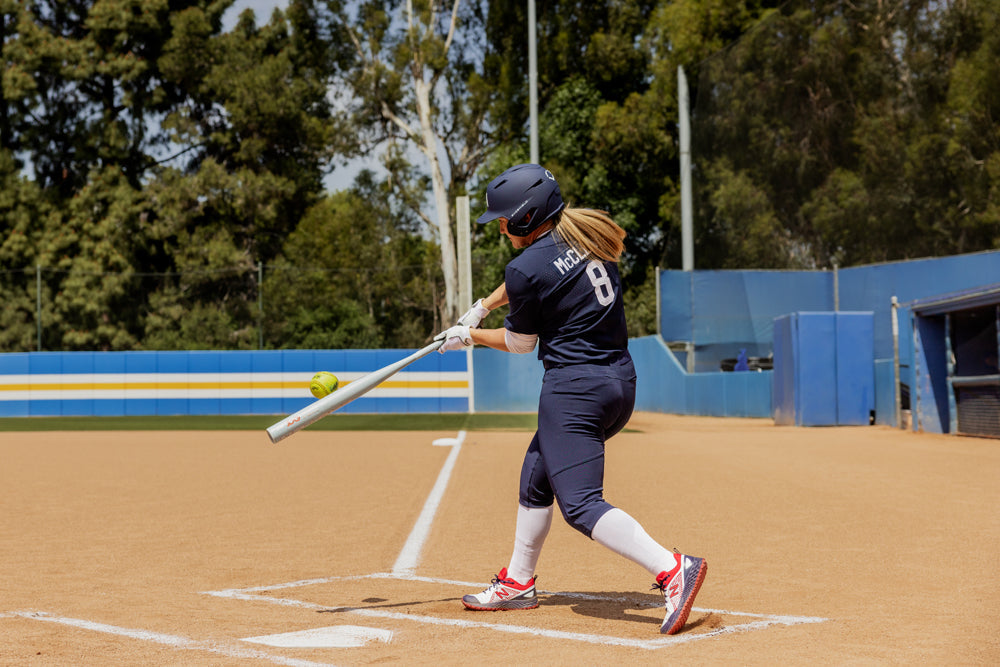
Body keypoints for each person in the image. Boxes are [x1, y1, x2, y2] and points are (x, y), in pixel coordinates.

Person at [435, 163, 707, 635]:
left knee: (580, 504)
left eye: (503, 219)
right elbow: (536, 276)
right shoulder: (586, 235)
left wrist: (470, 336)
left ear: (525, 216)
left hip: (574, 391)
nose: (499, 227)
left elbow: (521, 343)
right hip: (618, 382)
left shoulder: (524, 267)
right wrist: (484, 304)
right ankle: (518, 582)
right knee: (537, 474)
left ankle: (671, 569)